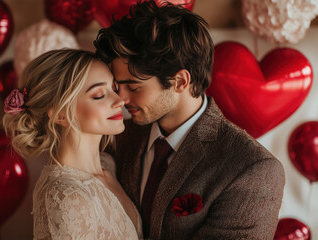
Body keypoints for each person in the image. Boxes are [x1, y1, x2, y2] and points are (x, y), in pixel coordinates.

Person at [94, 1, 285, 239]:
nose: (120, 99)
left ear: (181, 81)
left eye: (133, 86)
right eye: (117, 86)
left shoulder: (251, 170)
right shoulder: (119, 136)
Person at [3, 49, 143, 239]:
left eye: (114, 89)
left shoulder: (107, 163)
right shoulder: (66, 197)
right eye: (99, 94)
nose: (120, 101)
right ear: (61, 115)